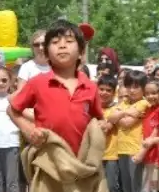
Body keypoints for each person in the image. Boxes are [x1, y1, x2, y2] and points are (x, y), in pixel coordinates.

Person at [8, 19, 104, 156]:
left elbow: (98, 119)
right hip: (47, 161)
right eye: (55, 42)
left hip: (81, 164)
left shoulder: (90, 87)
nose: (62, 46)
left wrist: (103, 126)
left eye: (69, 41)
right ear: (46, 53)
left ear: (81, 52)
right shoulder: (37, 83)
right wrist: (28, 130)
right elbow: (12, 110)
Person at [111, 71, 149, 192]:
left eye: (136, 87)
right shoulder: (124, 103)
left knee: (136, 186)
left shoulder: (143, 103)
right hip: (121, 149)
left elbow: (125, 123)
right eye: (129, 86)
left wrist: (120, 114)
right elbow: (111, 118)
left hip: (135, 149)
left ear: (143, 88)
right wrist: (123, 114)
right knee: (126, 186)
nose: (132, 90)